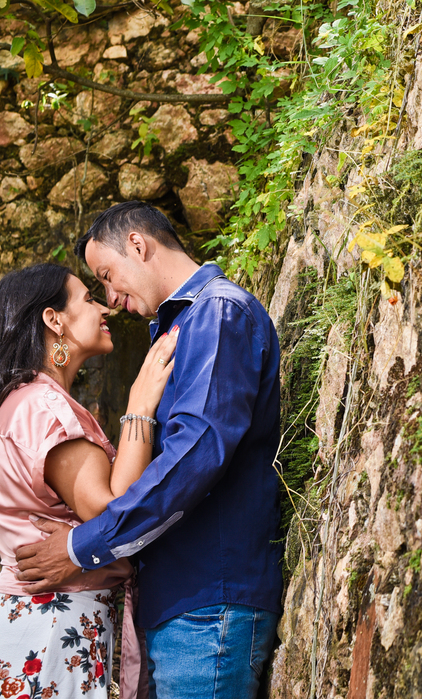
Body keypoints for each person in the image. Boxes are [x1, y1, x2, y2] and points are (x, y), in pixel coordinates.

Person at [14, 201, 284, 699]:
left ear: (138, 245)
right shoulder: (179, 329)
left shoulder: (218, 314)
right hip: (180, 606)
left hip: (210, 605)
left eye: (107, 275)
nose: (111, 298)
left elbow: (195, 455)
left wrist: (82, 545)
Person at [0, 263, 179, 699]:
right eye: (88, 299)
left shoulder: (25, 401)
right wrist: (140, 404)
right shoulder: (45, 408)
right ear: (54, 320)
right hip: (44, 639)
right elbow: (114, 507)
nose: (105, 310)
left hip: (25, 632)